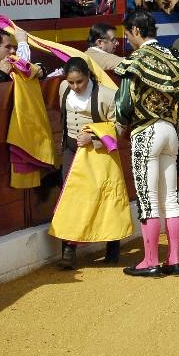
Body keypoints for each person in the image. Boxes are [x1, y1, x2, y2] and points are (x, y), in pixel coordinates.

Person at [115, 10, 179, 278]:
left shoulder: (135, 60)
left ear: (136, 31)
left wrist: (120, 126)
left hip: (145, 132)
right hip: (170, 133)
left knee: (149, 200)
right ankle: (173, 260)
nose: (127, 40)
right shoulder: (172, 58)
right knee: (170, 198)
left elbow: (124, 102)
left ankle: (150, 260)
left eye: (128, 34)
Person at [51, 57, 128, 269]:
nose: (75, 86)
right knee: (70, 198)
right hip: (71, 149)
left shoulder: (107, 95)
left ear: (88, 76)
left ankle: (112, 245)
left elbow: (119, 128)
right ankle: (68, 251)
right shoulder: (62, 89)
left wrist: (94, 139)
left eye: (80, 82)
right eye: (71, 82)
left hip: (98, 152)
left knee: (106, 196)